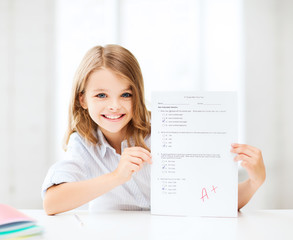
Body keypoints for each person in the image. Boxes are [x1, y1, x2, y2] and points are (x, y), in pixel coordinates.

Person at [42, 44, 266, 215]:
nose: (114, 105)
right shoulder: (83, 143)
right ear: (82, 99)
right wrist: (116, 176)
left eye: (125, 95)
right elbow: (52, 203)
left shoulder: (164, 132)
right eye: (101, 95)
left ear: (137, 95)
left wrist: (254, 181)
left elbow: (213, 201)